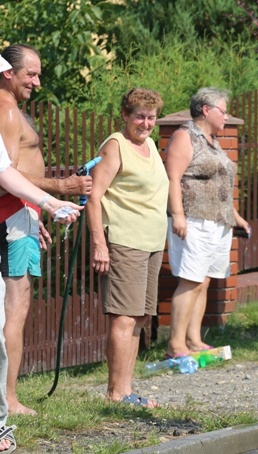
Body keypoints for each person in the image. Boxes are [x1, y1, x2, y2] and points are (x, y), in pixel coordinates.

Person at [0, 43, 92, 416]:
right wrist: (59, 191)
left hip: (20, 213)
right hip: (10, 215)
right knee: (15, 309)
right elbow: (7, 173)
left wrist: (34, 210)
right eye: (31, 74)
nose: (37, 82)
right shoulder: (5, 109)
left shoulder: (11, 108)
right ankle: (8, 399)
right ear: (8, 72)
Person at [86, 87, 168, 408]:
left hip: (150, 243)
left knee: (141, 318)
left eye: (151, 118)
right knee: (123, 317)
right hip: (123, 241)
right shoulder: (116, 146)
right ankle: (115, 394)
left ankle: (127, 390)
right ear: (125, 115)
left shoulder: (149, 145)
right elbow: (94, 196)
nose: (146, 123)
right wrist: (99, 243)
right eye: (139, 117)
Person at [164, 87, 250, 358]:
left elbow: (220, 184)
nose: (226, 116)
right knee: (190, 279)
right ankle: (175, 344)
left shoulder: (212, 140)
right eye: (223, 111)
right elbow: (173, 178)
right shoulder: (185, 136)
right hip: (194, 219)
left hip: (218, 221)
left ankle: (193, 339)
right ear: (205, 109)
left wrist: (236, 217)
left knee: (203, 281)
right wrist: (178, 215)